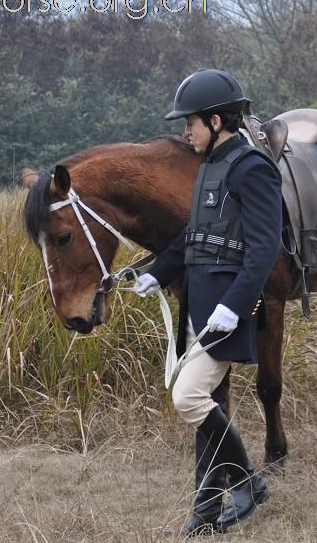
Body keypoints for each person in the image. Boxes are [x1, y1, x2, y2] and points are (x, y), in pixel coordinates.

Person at [132, 68, 283, 536]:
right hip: (200, 308)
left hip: (226, 313)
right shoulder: (210, 169)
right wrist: (157, 273)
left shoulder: (252, 169)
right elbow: (192, 237)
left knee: (188, 396)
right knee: (200, 406)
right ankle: (205, 512)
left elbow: (264, 248)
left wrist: (235, 306)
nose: (185, 131)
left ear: (217, 122)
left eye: (191, 122)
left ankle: (249, 483)